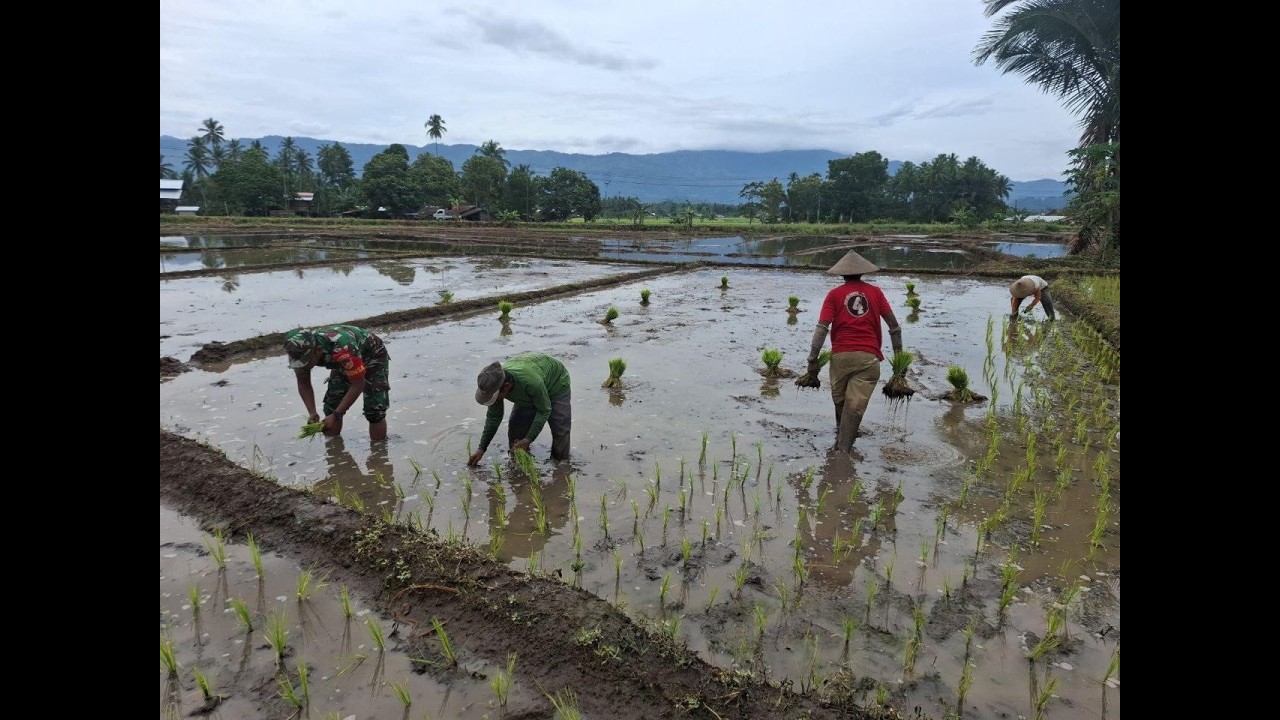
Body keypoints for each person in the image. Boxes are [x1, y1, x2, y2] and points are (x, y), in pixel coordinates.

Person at [805, 250, 903, 453]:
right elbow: (894, 326)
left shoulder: (834, 295)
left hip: (841, 357)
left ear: (842, 274)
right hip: (868, 358)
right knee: (854, 407)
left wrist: (812, 359)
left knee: (841, 403)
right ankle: (843, 449)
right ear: (862, 273)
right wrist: (899, 363)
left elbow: (822, 327)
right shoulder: (875, 293)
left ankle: (842, 451)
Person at [284, 325, 390, 440]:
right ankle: (333, 450)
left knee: (375, 409)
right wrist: (312, 412)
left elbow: (358, 385)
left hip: (371, 356)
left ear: (318, 350)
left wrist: (337, 415)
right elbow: (303, 383)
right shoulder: (299, 352)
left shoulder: (343, 348)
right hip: (343, 363)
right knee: (331, 406)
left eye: (306, 362)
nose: (303, 367)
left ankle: (378, 451)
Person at [468, 353, 572, 465]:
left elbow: (544, 410)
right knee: (516, 429)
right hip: (531, 381)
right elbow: (494, 418)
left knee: (560, 428)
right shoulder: (494, 382)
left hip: (556, 382)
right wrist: (481, 448)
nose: (494, 400)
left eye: (494, 397)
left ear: (506, 386)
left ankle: (561, 467)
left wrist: (528, 439)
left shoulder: (531, 383)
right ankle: (521, 464)